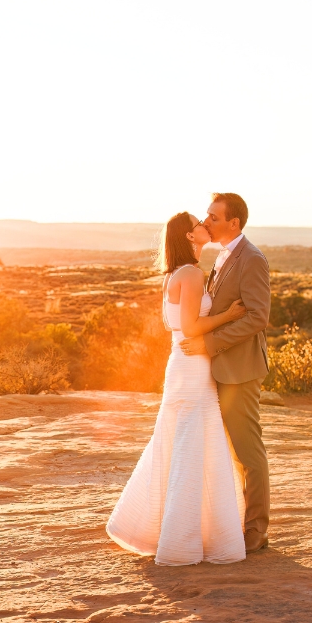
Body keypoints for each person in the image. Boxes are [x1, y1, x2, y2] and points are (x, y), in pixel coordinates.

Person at [106, 211, 247, 565]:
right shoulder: (192, 273)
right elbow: (190, 325)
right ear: (189, 236)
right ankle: (185, 538)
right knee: (192, 441)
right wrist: (229, 316)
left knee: (182, 439)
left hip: (182, 363)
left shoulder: (176, 274)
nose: (206, 226)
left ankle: (175, 530)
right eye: (201, 223)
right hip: (192, 363)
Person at [180, 193, 271, 554]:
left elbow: (257, 317)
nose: (207, 222)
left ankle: (256, 530)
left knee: (248, 453)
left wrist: (210, 343)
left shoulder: (252, 259)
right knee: (228, 452)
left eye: (214, 217)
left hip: (240, 370)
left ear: (234, 223)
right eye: (207, 216)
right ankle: (234, 522)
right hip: (219, 368)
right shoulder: (222, 256)